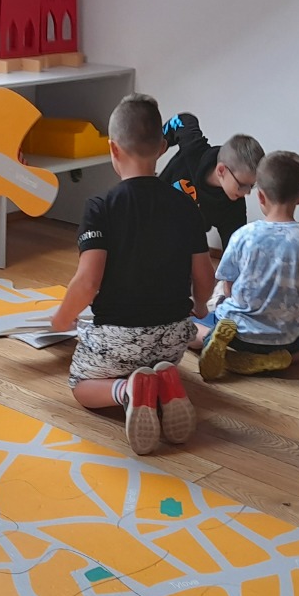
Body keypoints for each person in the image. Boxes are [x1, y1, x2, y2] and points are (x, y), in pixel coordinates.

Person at [50, 94, 216, 455]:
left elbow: (88, 281)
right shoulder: (185, 205)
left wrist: (63, 317)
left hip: (118, 338)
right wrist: (201, 307)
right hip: (172, 339)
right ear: (161, 148)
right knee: (160, 352)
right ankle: (163, 382)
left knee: (80, 384)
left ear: (113, 148)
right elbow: (205, 275)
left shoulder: (100, 207)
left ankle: (126, 390)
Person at [190, 150, 299, 380]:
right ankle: (272, 361)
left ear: (260, 196)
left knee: (189, 325)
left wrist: (231, 301)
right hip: (284, 336)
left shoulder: (243, 235)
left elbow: (228, 284)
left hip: (236, 329)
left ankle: (215, 343)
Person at [156, 112, 263, 251]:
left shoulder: (233, 207)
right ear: (221, 170)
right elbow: (184, 119)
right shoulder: (195, 150)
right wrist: (156, 148)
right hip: (153, 212)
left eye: (251, 186)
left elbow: (233, 249)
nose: (247, 192)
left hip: (180, 242)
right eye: (242, 185)